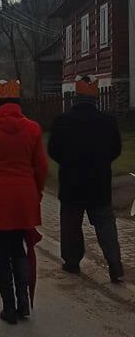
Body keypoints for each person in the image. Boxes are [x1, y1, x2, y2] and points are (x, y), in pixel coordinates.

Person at [0, 80, 48, 325]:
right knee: (19, 248)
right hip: (24, 195)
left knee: (2, 252)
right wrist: (37, 190)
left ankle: (9, 307)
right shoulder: (33, 128)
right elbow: (42, 167)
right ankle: (23, 301)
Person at [48, 75, 123, 283]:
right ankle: (115, 264)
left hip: (71, 181)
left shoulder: (62, 121)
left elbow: (53, 150)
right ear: (95, 98)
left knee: (71, 224)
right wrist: (102, 161)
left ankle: (72, 261)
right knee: (105, 224)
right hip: (99, 181)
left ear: (76, 97)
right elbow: (116, 149)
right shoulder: (107, 121)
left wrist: (67, 162)